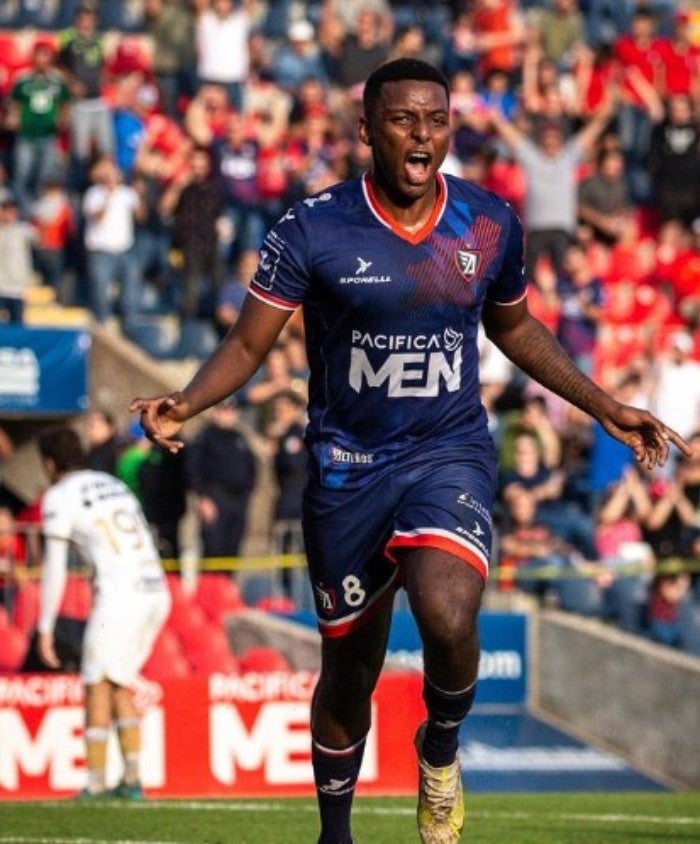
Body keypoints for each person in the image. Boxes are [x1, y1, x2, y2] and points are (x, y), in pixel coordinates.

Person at [131, 58, 691, 844]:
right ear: (366, 130)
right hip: (345, 467)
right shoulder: (313, 227)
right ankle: (336, 833)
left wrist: (605, 407)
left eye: (435, 118)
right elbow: (249, 341)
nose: (421, 134)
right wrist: (186, 401)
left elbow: (518, 327)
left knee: (446, 609)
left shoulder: (488, 221)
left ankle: (440, 748)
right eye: (402, 119)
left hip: (446, 453)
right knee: (350, 671)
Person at [36, 426, 171, 799]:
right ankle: (131, 780)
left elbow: (55, 568)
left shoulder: (59, 496)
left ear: (49, 463)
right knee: (117, 680)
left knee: (95, 681)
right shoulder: (111, 483)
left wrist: (45, 628)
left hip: (121, 594)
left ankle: (94, 783)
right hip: (156, 590)